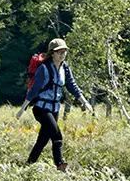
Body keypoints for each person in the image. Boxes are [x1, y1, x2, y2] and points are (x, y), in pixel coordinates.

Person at [16, 38, 94, 172]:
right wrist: (23, 108)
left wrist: (85, 102)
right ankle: (60, 165)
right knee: (57, 135)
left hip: (55, 108)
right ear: (52, 53)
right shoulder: (44, 68)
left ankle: (28, 166)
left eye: (64, 52)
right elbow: (34, 89)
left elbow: (72, 86)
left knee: (43, 140)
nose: (62, 55)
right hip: (41, 108)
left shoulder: (65, 68)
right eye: (59, 52)